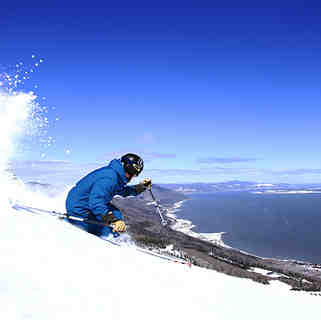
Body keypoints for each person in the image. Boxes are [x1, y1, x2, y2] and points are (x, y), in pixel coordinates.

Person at [65, 153, 152, 237]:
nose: (131, 177)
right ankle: (108, 243)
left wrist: (141, 187)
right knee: (107, 229)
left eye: (135, 175)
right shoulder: (109, 179)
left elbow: (122, 191)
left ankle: (114, 236)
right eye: (131, 173)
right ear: (126, 167)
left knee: (116, 214)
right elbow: (96, 202)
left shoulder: (115, 175)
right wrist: (113, 220)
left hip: (83, 203)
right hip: (79, 208)